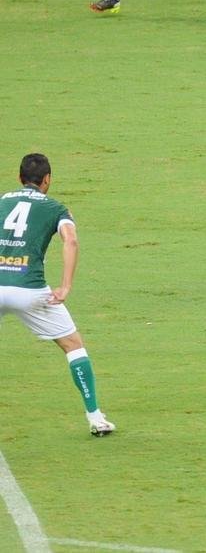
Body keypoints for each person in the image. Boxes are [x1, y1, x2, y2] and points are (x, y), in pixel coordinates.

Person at [0, 154, 115, 436]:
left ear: (19, 178)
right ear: (47, 179)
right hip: (30, 290)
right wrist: (65, 286)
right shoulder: (56, 208)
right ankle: (96, 418)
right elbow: (71, 240)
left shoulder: (3, 201)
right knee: (73, 345)